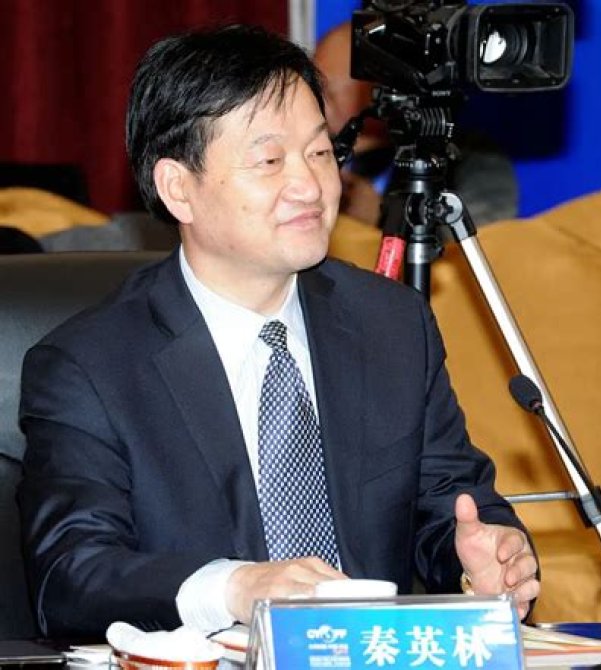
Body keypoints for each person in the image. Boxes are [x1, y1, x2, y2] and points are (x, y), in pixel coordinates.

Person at [17, 24, 538, 637]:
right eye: (269, 161)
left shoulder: (392, 325)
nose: (310, 186)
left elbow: (452, 504)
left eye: (320, 153)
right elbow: (71, 576)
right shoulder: (89, 366)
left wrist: (482, 560)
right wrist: (236, 587)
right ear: (178, 189)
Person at [314, 21, 519, 228]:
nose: (317, 102)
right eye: (313, 88)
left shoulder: (473, 158)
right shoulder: (313, 155)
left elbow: (484, 240)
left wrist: (383, 217)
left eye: (328, 92)